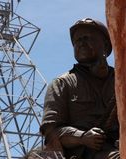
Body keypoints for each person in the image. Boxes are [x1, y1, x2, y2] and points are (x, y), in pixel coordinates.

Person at [40, 18, 120, 159]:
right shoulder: (62, 83)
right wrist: (82, 137)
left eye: (87, 38)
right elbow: (52, 133)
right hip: (84, 154)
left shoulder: (121, 80)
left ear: (106, 44)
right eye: (77, 40)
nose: (81, 42)